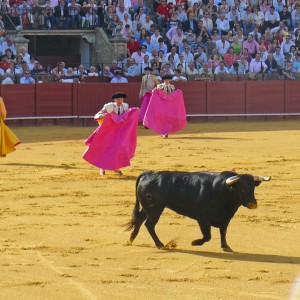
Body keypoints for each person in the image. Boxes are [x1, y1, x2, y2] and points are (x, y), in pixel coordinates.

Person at [83, 92, 139, 176]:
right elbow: (97, 115)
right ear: (115, 99)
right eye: (118, 99)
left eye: (121, 99)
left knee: (118, 148)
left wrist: (135, 110)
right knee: (106, 148)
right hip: (108, 131)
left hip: (119, 132)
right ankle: (103, 167)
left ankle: (116, 167)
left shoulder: (125, 106)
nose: (120, 100)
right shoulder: (109, 106)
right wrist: (102, 116)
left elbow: (128, 115)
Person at [143, 74, 187, 139]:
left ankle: (166, 132)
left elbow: (173, 95)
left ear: (169, 80)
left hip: (169, 105)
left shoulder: (172, 86)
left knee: (168, 118)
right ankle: (162, 132)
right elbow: (154, 92)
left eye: (168, 79)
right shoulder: (159, 86)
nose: (167, 81)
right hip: (161, 105)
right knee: (161, 118)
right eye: (166, 79)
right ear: (164, 80)